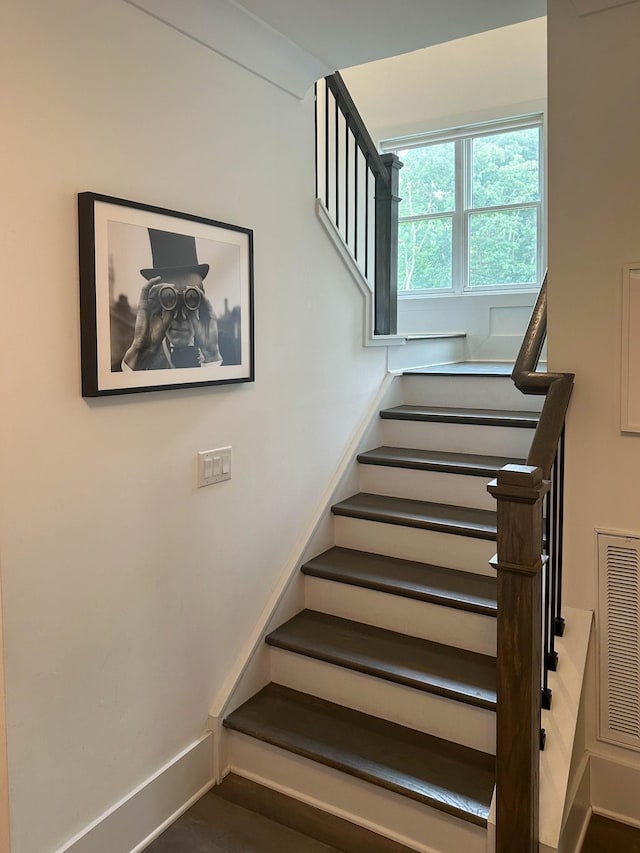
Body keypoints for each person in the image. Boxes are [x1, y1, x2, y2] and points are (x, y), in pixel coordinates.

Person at [122, 229, 222, 370]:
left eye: (191, 298)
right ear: (155, 302)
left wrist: (212, 357)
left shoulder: (226, 348)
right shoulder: (132, 358)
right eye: (169, 299)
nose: (179, 316)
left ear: (203, 300)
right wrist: (141, 354)